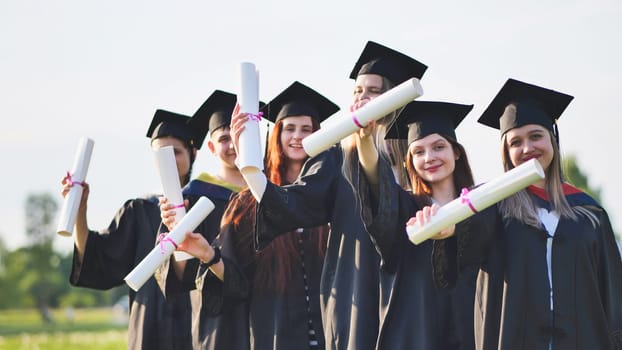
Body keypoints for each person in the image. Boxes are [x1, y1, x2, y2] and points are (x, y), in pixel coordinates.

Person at [230, 41, 427, 349]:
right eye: (357, 91)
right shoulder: (336, 160)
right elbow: (292, 204)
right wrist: (250, 168)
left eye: (372, 91)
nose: (362, 97)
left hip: (414, 297)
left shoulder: (419, 158)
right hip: (358, 296)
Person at [428, 78, 622, 349]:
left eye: (536, 136)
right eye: (515, 142)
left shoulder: (589, 213)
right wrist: (449, 230)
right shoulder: (493, 207)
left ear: (553, 139)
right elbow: (459, 252)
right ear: (506, 153)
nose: (527, 148)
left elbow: (613, 296)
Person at [176, 81, 339, 349]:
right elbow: (234, 277)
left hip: (330, 330)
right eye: (289, 129)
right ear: (276, 136)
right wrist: (207, 254)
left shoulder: (336, 191)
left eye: (307, 129)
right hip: (274, 334)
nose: (297, 136)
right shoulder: (249, 199)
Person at [61, 107, 208, 350]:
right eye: (160, 154)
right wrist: (80, 209)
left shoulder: (208, 206)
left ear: (193, 152)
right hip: (148, 329)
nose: (168, 161)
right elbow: (97, 258)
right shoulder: (138, 211)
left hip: (197, 329)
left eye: (176, 153)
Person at [355, 100, 477, 349]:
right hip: (418, 335)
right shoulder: (404, 209)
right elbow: (376, 179)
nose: (429, 157)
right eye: (418, 152)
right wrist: (365, 139)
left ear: (456, 152)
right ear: (409, 161)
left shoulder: (480, 206)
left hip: (472, 332)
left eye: (438, 147)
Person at [157, 90, 251, 350]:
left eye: (237, 135)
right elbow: (180, 276)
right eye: (223, 139)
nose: (232, 144)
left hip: (268, 315)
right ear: (210, 147)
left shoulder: (269, 190)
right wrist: (176, 234)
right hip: (220, 322)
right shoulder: (192, 198)